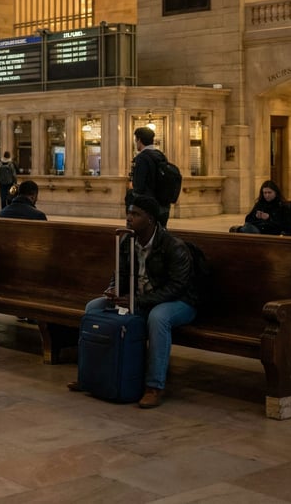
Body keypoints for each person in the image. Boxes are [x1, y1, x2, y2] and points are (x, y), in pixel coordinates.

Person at [69, 195, 198, 408]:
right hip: (139, 299)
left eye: (135, 214)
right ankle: (89, 375)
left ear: (150, 219)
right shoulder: (127, 240)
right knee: (93, 307)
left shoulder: (173, 246)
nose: (129, 218)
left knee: (158, 319)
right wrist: (113, 289)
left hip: (179, 302)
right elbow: (118, 272)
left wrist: (137, 301)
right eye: (129, 213)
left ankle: (154, 386)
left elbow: (177, 287)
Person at [127, 126, 171, 226]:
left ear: (139, 140)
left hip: (148, 207)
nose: (135, 143)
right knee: (160, 234)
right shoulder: (161, 155)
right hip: (163, 205)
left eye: (135, 140)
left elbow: (139, 186)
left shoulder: (142, 158)